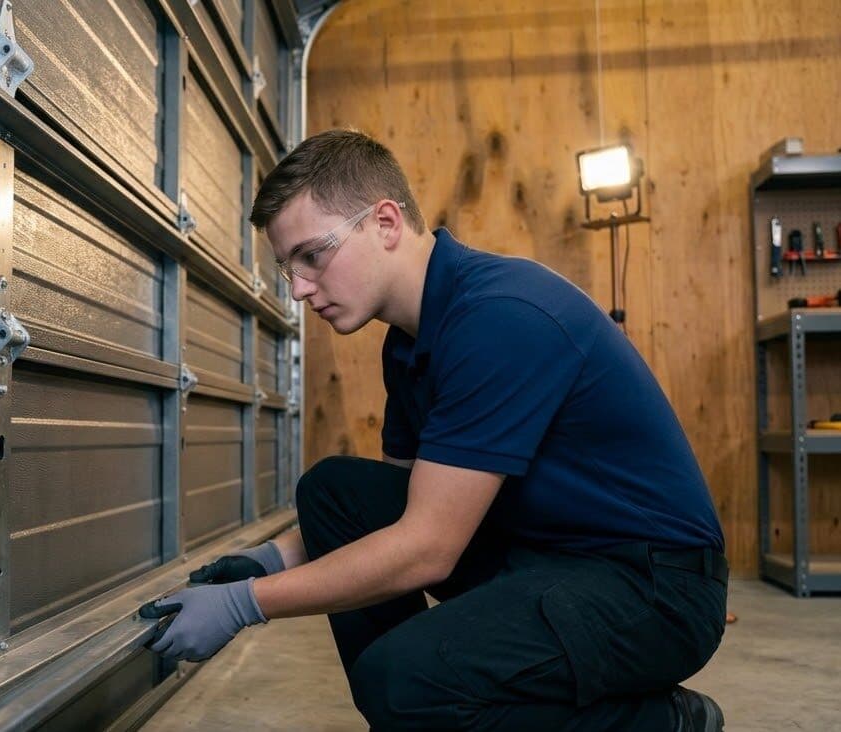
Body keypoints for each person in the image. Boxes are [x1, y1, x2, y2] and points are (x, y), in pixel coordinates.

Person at [139, 129, 728, 731]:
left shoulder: (499, 318)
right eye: (288, 267)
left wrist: (245, 605)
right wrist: (268, 561)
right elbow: (393, 510)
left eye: (313, 256)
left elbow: (426, 547)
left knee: (400, 681)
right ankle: (419, 705)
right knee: (335, 491)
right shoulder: (410, 342)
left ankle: (660, 723)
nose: (297, 289)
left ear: (386, 223)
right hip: (545, 553)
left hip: (653, 590)